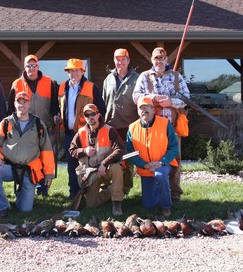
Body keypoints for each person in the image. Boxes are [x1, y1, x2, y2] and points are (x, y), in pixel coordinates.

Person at [132, 47, 190, 202]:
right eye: (156, 58)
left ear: (166, 60)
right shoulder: (145, 76)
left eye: (162, 58)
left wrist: (171, 102)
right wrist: (153, 98)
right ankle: (156, 191)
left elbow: (186, 99)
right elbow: (136, 97)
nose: (159, 61)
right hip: (152, 128)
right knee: (153, 158)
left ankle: (175, 192)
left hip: (173, 126)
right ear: (152, 60)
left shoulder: (177, 77)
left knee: (174, 159)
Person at [0, 92, 55, 218]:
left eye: (25, 102)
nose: (22, 105)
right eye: (19, 102)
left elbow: (47, 150)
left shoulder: (38, 124)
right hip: (9, 166)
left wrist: (49, 173)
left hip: (29, 169)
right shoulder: (6, 123)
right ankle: (1, 207)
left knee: (25, 210)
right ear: (14, 104)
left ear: (29, 104)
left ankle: (20, 195)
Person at [7, 54, 59, 196]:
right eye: (28, 66)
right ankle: (23, 184)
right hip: (23, 128)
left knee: (45, 156)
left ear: (38, 66)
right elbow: (11, 108)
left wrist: (55, 116)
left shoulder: (49, 82)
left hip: (44, 125)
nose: (31, 68)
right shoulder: (17, 83)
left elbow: (55, 103)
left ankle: (43, 187)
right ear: (25, 67)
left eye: (34, 65)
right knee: (27, 157)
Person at [58, 58, 106, 199]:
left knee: (88, 163)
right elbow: (56, 107)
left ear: (82, 71)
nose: (74, 73)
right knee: (72, 164)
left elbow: (101, 109)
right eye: (71, 71)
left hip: (86, 133)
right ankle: (74, 193)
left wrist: (95, 129)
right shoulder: (62, 87)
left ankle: (89, 193)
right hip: (69, 133)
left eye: (76, 70)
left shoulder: (91, 87)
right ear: (67, 72)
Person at [126, 96, 179, 217]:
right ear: (138, 111)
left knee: (160, 175)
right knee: (148, 205)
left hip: (163, 164)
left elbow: (174, 148)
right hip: (145, 167)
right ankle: (156, 196)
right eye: (141, 108)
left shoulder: (165, 124)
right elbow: (130, 152)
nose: (144, 110)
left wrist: (161, 162)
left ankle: (166, 206)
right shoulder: (132, 128)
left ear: (153, 110)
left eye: (147, 107)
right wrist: (143, 164)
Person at [69, 104, 126, 216]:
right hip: (90, 172)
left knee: (116, 168)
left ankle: (117, 203)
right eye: (87, 115)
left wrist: (104, 163)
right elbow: (72, 150)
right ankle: (110, 191)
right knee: (91, 205)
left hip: (106, 169)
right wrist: (84, 151)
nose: (90, 117)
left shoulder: (109, 130)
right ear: (84, 117)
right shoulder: (81, 132)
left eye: (93, 114)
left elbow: (121, 148)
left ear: (98, 115)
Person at [102, 48, 140, 195]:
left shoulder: (137, 79)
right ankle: (107, 189)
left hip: (129, 126)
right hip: (111, 127)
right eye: (117, 59)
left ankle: (125, 190)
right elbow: (105, 102)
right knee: (109, 159)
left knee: (128, 160)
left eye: (123, 59)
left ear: (128, 60)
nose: (120, 62)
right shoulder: (108, 79)